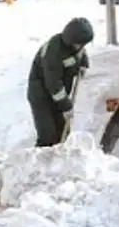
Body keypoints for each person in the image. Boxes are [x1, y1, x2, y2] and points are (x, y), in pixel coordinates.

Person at [27, 17, 94, 147]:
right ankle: (40, 163)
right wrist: (66, 106)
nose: (81, 47)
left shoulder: (76, 45)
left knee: (62, 130)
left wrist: (84, 64)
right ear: (70, 40)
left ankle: (60, 162)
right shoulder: (53, 52)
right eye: (80, 44)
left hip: (58, 93)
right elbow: (53, 84)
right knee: (48, 134)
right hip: (41, 94)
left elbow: (81, 53)